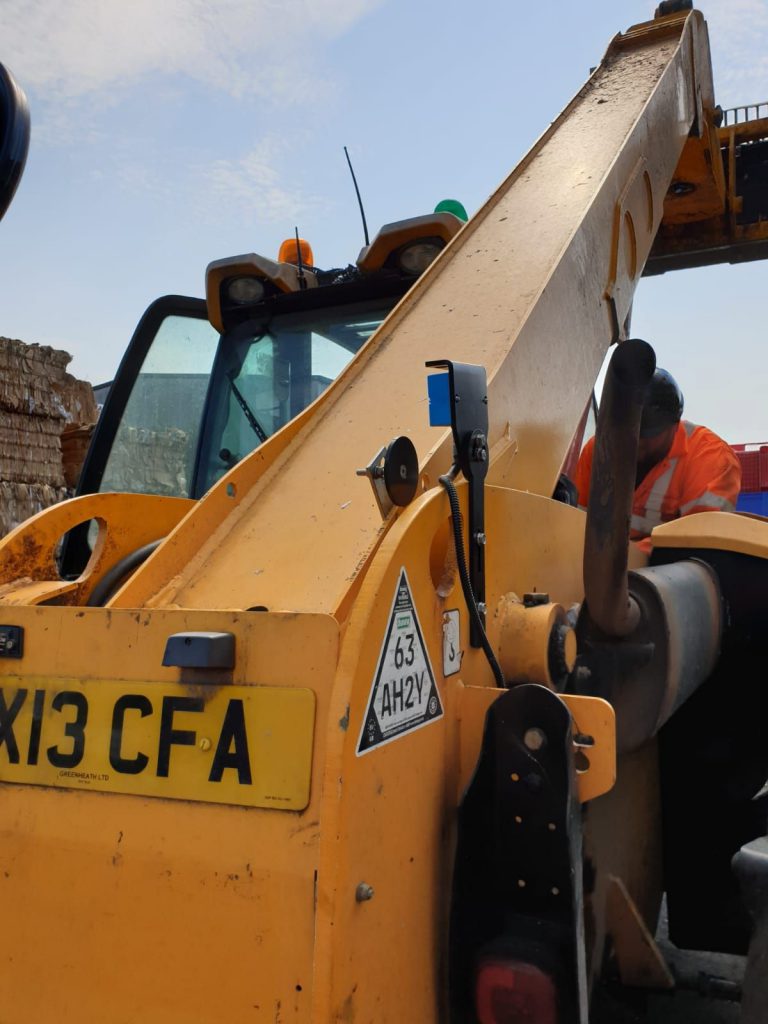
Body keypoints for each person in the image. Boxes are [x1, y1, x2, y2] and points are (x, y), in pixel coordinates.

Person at [574, 367, 742, 552]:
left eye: (645, 434)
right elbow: (576, 521)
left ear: (674, 424)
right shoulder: (600, 449)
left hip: (672, 574)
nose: (635, 443)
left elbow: (701, 543)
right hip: (602, 568)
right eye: (626, 434)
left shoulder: (711, 458)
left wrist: (627, 556)